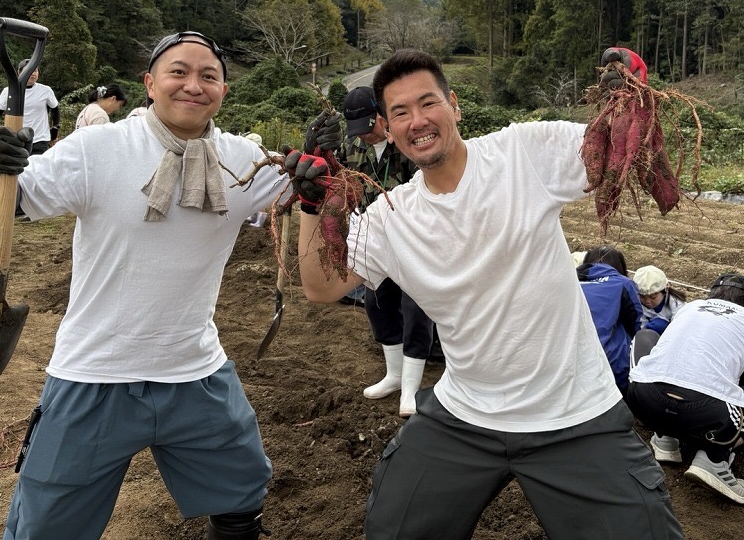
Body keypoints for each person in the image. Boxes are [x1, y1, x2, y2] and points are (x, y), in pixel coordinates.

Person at [289, 49, 683, 539]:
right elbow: (322, 286)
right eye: (400, 112)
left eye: (428, 103)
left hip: (575, 412)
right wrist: (313, 204)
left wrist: (631, 102)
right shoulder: (391, 216)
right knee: (393, 528)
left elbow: (625, 158)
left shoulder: (520, 153)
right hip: (465, 412)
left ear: (454, 106)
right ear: (388, 129)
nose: (417, 121)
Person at [0, 30, 291, 540]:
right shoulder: (98, 148)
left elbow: (314, 188)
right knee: (46, 527)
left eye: (208, 76)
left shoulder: (244, 161)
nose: (193, 85)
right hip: (94, 374)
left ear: (223, 90)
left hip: (195, 371)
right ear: (149, 83)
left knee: (242, 496)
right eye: (178, 72)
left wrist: (321, 163)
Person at [626, 273, 744, 505]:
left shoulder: (689, 308)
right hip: (706, 415)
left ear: (712, 295)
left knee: (644, 337)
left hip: (645, 401)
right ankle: (714, 459)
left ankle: (664, 436)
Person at [340, 86, 429, 417]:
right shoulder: (353, 147)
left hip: (412, 237)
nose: (363, 136)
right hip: (373, 237)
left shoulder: (407, 143)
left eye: (368, 127)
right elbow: (343, 180)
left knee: (415, 307)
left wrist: (400, 141)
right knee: (377, 302)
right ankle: (394, 375)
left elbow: (427, 185)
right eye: (357, 131)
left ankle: (411, 387)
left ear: (382, 116)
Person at [575, 245, 643, 393]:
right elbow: (636, 324)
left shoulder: (571, 282)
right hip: (611, 367)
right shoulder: (623, 284)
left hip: (572, 361)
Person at [0, 59, 60, 154]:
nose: (33, 73)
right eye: (29, 70)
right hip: (16, 139)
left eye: (35, 70)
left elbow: (55, 110)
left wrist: (55, 130)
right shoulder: (9, 91)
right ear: (19, 72)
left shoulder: (46, 90)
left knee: (38, 163)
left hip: (40, 139)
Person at [632, 264, 687, 334]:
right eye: (642, 297)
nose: (647, 301)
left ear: (665, 290)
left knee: (658, 325)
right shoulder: (637, 304)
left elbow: (680, 327)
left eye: (653, 297)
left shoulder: (677, 304)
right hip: (650, 335)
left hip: (671, 334)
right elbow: (640, 327)